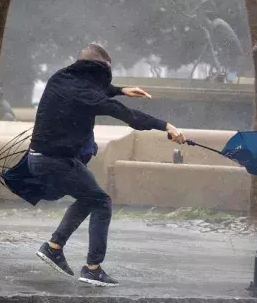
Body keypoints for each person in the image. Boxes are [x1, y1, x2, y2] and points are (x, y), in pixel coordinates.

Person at [30, 43, 185, 286]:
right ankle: (93, 268)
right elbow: (127, 116)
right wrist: (167, 126)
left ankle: (54, 247)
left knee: (91, 197)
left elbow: (92, 90)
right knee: (102, 202)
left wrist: (121, 90)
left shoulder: (61, 78)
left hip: (47, 158)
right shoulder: (85, 92)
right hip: (54, 162)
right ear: (98, 70)